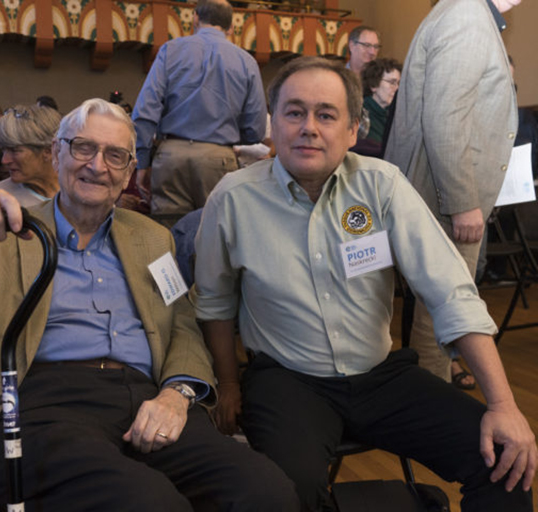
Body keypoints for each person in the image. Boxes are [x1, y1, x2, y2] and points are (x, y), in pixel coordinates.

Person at [0, 98, 298, 512]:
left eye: (115, 156)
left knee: (267, 491)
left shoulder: (152, 239)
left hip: (146, 398)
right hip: (45, 404)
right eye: (83, 147)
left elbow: (181, 328)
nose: (97, 165)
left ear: (128, 174)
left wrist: (176, 394)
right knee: (149, 503)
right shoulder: (6, 235)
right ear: (57, 153)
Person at [194, 57, 536, 512]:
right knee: (286, 492)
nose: (309, 127)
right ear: (272, 123)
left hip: (380, 376)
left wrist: (503, 404)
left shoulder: (382, 185)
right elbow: (215, 303)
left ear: (354, 130)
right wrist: (229, 384)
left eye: (326, 114)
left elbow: (450, 291)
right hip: (287, 381)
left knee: (505, 463)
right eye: (294, 113)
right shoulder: (233, 199)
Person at [384, 0, 520, 383]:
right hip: (445, 199)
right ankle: (432, 410)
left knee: (440, 312)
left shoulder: (464, 11)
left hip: (438, 193)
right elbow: (445, 119)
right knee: (442, 313)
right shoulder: (466, 15)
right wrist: (462, 204)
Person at [132, 0, 267, 227]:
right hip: (219, 157)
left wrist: (142, 162)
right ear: (231, 27)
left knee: (169, 236)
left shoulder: (170, 50)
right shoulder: (247, 61)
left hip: (171, 157)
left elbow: (145, 112)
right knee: (216, 235)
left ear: (194, 18)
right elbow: (256, 130)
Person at [0, 105, 61, 206]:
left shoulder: (80, 191)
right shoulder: (0, 198)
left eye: (15, 150)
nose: (4, 161)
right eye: (3, 150)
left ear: (49, 151)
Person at [361, 58, 401, 146]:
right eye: (392, 82)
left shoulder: (396, 115)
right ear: (373, 84)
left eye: (399, 83)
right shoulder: (360, 115)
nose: (397, 88)